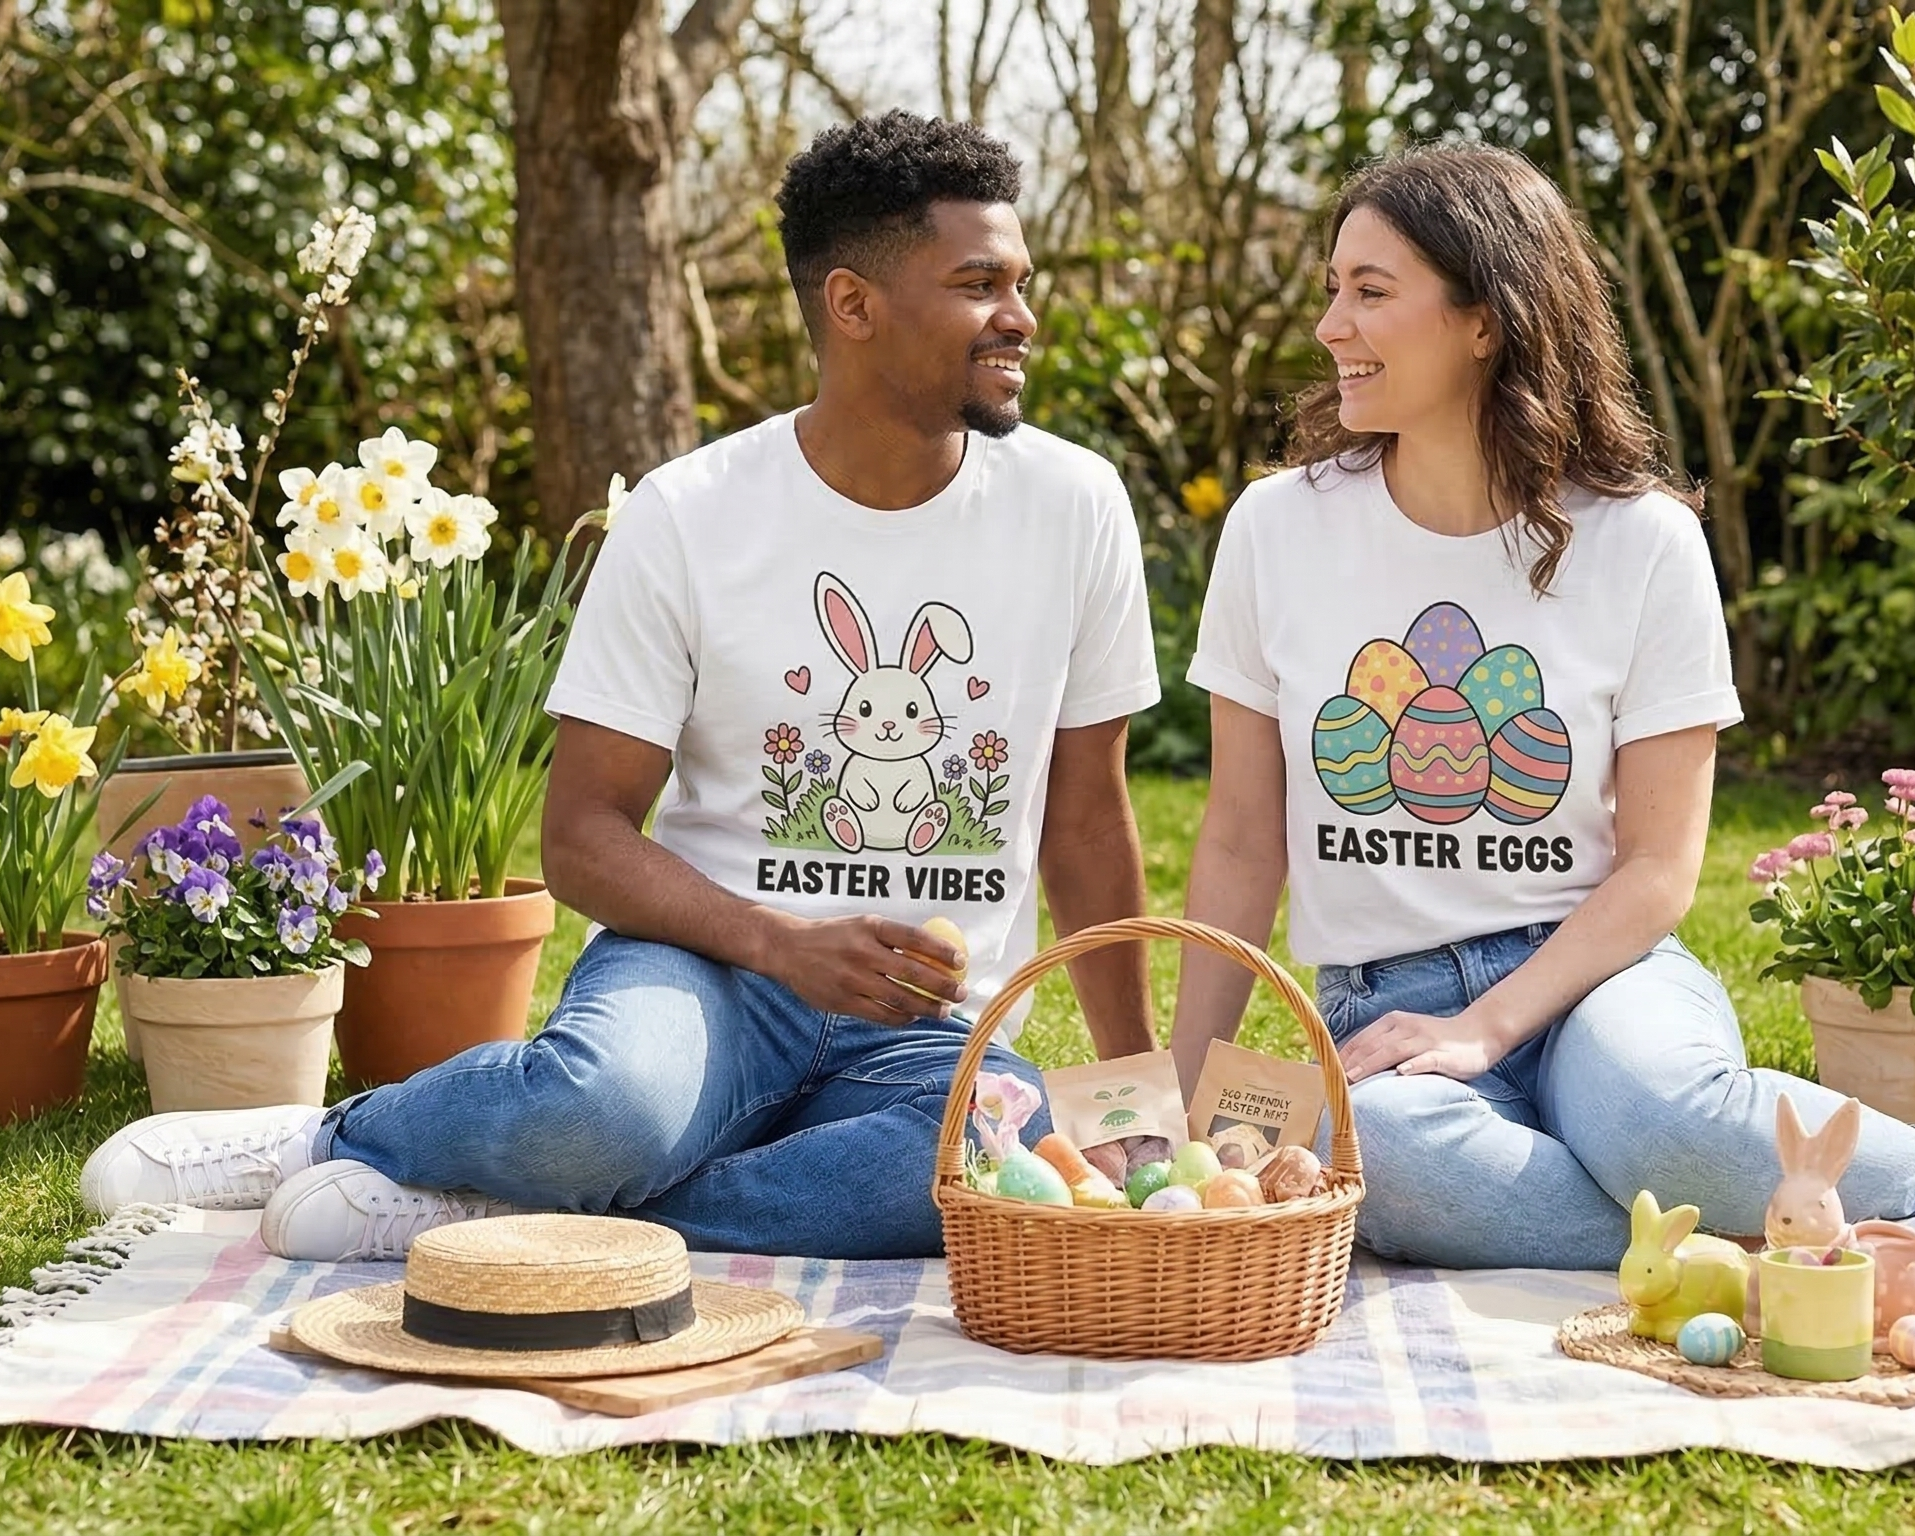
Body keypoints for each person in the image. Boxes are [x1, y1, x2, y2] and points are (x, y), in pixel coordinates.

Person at [1168, 143, 1915, 1295]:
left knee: (1658, 1118)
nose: (1330, 326)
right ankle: (1812, 1238)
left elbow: (1658, 867)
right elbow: (1241, 838)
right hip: (1382, 999)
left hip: (1595, 973)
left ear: (1486, 318)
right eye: (1332, 288)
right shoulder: (1277, 530)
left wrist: (1487, 1028)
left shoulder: (1638, 540)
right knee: (1382, 1158)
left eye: (1369, 291)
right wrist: (1186, 1093)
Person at [81, 112, 1162, 1261]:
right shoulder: (690, 513)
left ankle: (529, 1204)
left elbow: (1087, 821)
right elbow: (582, 836)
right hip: (708, 974)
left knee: (994, 1155)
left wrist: (1135, 1099)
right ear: (853, 304)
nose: (1019, 316)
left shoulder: (1074, 506)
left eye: (1019, 283)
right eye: (979, 284)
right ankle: (333, 1135)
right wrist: (781, 944)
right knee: (608, 1110)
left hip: (930, 1026)